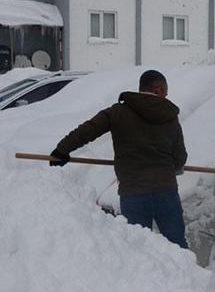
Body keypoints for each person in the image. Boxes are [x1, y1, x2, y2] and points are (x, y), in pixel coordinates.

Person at [49, 70, 189, 249]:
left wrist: (62, 150)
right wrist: (172, 168)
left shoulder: (118, 112)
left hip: (134, 191)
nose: (166, 96)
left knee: (138, 248)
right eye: (166, 92)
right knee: (177, 244)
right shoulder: (170, 116)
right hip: (166, 190)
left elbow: (88, 130)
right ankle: (184, 277)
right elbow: (180, 157)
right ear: (159, 90)